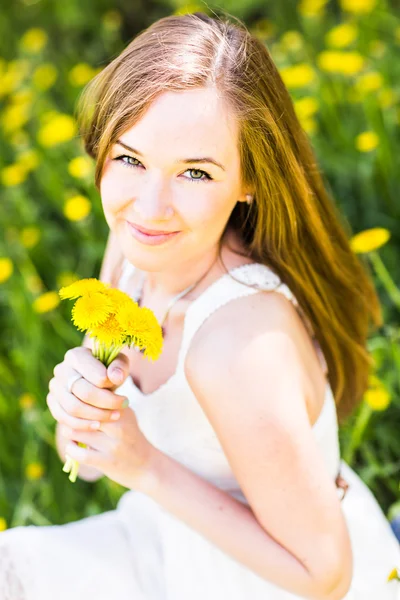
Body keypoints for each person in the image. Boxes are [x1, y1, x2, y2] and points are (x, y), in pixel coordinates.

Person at [1, 10, 399, 600]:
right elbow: (84, 462)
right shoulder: (134, 255)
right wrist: (81, 420)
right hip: (168, 541)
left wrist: (142, 467)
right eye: (130, 159)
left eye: (194, 172)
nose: (149, 207)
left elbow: (326, 576)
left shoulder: (236, 343)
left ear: (249, 180)